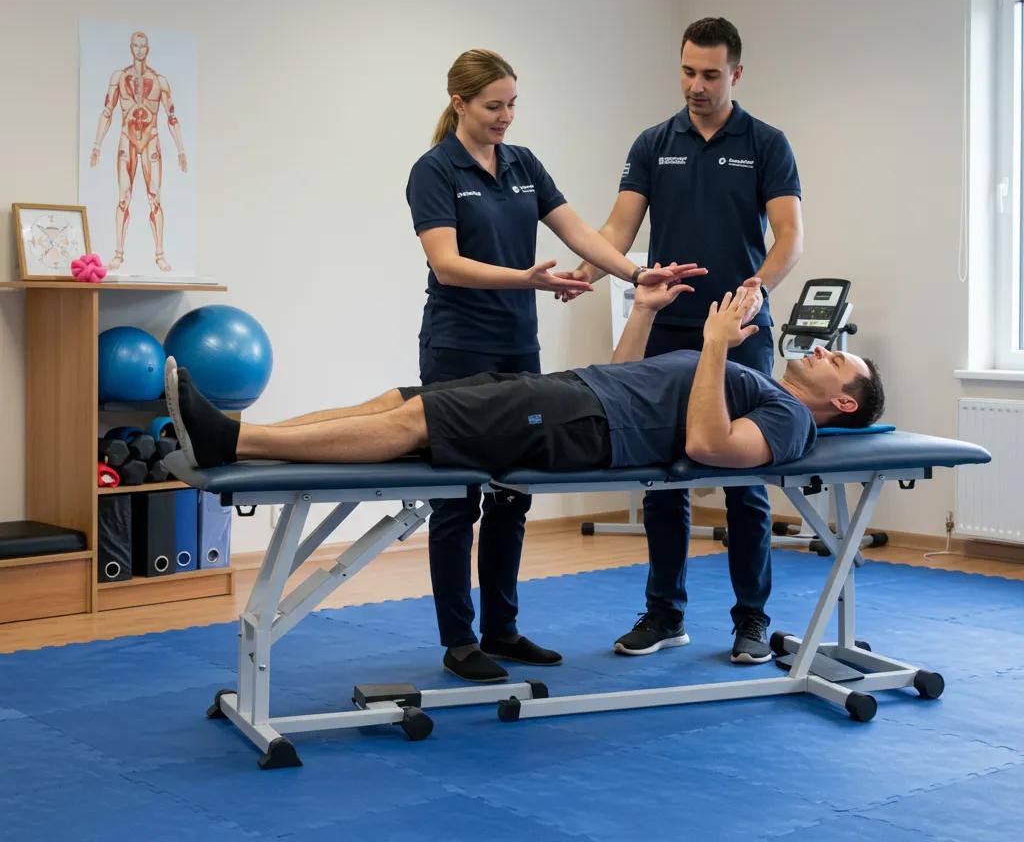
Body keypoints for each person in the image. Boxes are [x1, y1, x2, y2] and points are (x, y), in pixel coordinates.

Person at [164, 283, 885, 652]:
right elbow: (625, 373)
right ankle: (231, 432)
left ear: (845, 403)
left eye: (837, 360)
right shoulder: (762, 385)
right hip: (579, 394)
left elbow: (708, 450)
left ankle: (233, 441)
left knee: (416, 425)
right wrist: (642, 309)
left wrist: (718, 343)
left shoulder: (788, 420)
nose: (821, 350)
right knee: (402, 400)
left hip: (581, 428)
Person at [402, 48, 691, 683]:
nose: (506, 116)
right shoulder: (434, 170)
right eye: (493, 106)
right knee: (458, 498)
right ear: (460, 104)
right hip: (458, 346)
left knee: (513, 490)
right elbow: (447, 264)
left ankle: (501, 629)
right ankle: (459, 640)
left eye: (512, 104)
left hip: (517, 346)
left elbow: (581, 234)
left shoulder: (524, 164)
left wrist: (639, 272)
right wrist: (526, 280)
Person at [560, 16, 805, 664]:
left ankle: (751, 619)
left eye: (711, 74)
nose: (697, 85)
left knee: (744, 480)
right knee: (662, 477)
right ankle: (665, 614)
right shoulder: (653, 142)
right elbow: (618, 224)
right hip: (669, 326)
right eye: (688, 72)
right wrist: (584, 273)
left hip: (741, 331)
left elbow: (789, 236)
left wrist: (758, 284)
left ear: (736, 75)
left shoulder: (767, 144)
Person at [89, 30, 188, 272]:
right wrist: (97, 144)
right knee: (124, 197)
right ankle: (119, 254)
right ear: (131, 47)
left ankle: (159, 254)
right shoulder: (119, 77)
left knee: (155, 197)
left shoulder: (161, 81)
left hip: (151, 140)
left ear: (148, 49)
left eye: (143, 46)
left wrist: (181, 149)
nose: (140, 50)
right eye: (136, 46)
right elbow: (107, 111)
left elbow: (172, 116)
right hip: (127, 139)